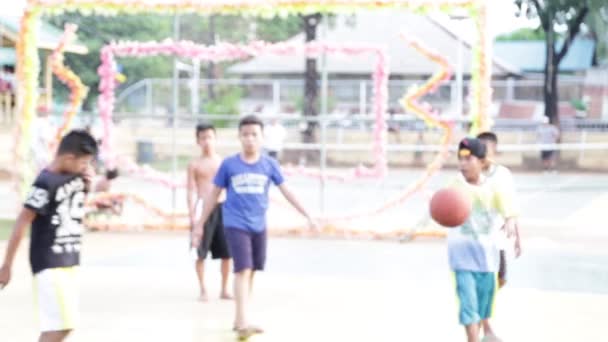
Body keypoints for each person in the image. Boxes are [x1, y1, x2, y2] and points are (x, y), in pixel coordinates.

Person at [192, 115, 317, 340]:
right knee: (243, 269)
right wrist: (199, 224)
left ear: (261, 137)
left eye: (254, 134)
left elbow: (287, 191)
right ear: (239, 137)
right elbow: (213, 195)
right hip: (234, 223)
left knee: (252, 271)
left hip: (258, 225)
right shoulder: (229, 165)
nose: (250, 139)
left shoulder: (269, 165)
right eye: (245, 134)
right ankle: (242, 323)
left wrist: (307, 214)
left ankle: (241, 317)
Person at [0, 130, 97, 342]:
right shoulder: (45, 181)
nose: (86, 167)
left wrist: (89, 187)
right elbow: (22, 221)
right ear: (69, 158)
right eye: (83, 163)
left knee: (64, 325)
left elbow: (74, 207)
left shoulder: (78, 177)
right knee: (60, 327)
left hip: (69, 261)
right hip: (49, 263)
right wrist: (7, 265)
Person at [449, 137, 518, 342]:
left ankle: (483, 335)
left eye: (468, 159)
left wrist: (511, 220)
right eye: (460, 159)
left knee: (480, 309)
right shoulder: (454, 185)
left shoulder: (494, 188)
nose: (462, 164)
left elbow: (509, 210)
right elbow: (441, 207)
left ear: (481, 161)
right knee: (469, 310)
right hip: (462, 260)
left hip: (488, 260)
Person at [476, 132, 522, 340]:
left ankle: (480, 315)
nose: (484, 149)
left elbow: (511, 204)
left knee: (501, 279)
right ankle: (485, 327)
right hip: (478, 239)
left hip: (498, 239)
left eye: (488, 146)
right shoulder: (470, 174)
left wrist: (518, 237)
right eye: (481, 145)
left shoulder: (503, 173)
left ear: (494, 148)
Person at [186, 123, 232, 302]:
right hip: (202, 209)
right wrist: (191, 214)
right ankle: (203, 289)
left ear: (215, 139)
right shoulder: (194, 165)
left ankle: (225, 289)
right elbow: (190, 190)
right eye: (203, 138)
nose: (207, 141)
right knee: (200, 252)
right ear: (198, 141)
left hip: (223, 208)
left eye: (210, 137)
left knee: (227, 253)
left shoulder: (223, 163)